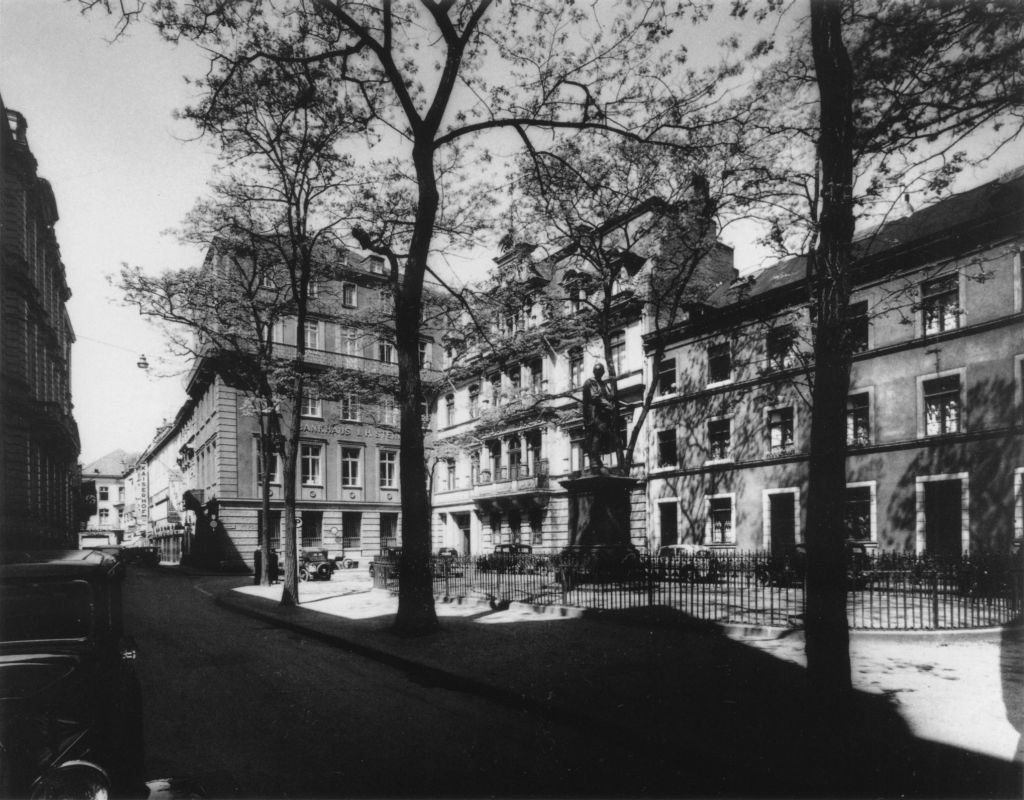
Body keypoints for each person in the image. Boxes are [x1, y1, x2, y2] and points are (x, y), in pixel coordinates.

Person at [582, 363, 619, 472]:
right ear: (594, 372)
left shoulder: (603, 384)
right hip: (594, 414)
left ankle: (597, 460)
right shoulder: (590, 382)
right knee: (595, 436)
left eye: (601, 372)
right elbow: (595, 397)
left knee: (602, 437)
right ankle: (593, 461)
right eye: (597, 371)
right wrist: (608, 405)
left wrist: (612, 388)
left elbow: (609, 396)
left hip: (603, 415)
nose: (599, 373)